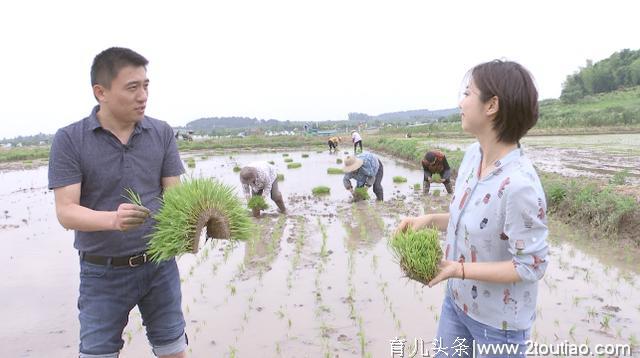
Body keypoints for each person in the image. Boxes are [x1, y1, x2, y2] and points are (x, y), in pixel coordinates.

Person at [397, 60, 548, 357]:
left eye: (467, 93)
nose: (460, 102)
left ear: (491, 105)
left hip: (498, 325)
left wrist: (459, 269)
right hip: (457, 303)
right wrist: (428, 220)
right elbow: (473, 221)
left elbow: (531, 265)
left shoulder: (520, 185)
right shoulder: (471, 156)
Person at [48, 48, 187, 357]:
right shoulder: (70, 139)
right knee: (98, 353)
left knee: (173, 348)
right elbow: (66, 210)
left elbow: (175, 197)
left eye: (146, 85)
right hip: (102, 272)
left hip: (159, 265)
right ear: (101, 92)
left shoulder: (161, 132)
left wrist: (195, 222)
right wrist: (113, 220)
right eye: (132, 87)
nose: (143, 96)